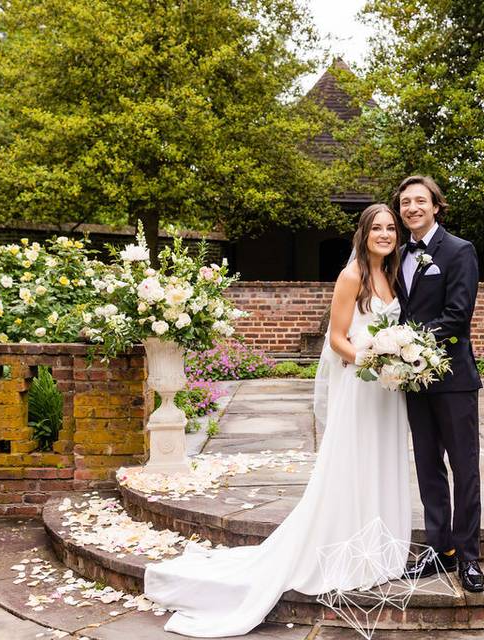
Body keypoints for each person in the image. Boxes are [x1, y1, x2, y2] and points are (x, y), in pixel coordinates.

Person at [143, 204, 411, 637]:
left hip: (388, 391)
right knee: (354, 462)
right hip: (361, 387)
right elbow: (336, 338)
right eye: (377, 228)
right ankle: (346, 542)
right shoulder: (352, 276)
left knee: (383, 459)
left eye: (390, 229)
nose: (385, 234)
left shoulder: (394, 276)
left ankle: (380, 545)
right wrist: (369, 358)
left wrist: (397, 358)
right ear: (363, 234)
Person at [394, 175, 484, 593]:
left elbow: (457, 315)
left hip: (453, 380)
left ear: (435, 206)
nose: (411, 208)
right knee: (428, 467)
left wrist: (406, 344)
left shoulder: (459, 251)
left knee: (464, 468)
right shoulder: (397, 256)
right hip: (412, 381)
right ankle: (439, 549)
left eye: (419, 201)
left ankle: (468, 557)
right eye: (405, 203)